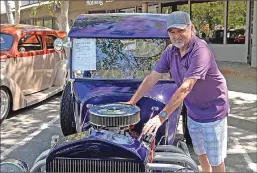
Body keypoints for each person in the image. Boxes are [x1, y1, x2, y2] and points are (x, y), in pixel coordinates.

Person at [126, 11, 229, 172]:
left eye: (181, 30)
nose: (176, 36)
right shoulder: (170, 51)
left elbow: (186, 87)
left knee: (215, 158)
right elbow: (152, 77)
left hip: (213, 112)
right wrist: (132, 102)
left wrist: (161, 117)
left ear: (191, 29)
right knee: (200, 153)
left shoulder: (200, 51)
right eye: (172, 32)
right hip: (194, 110)